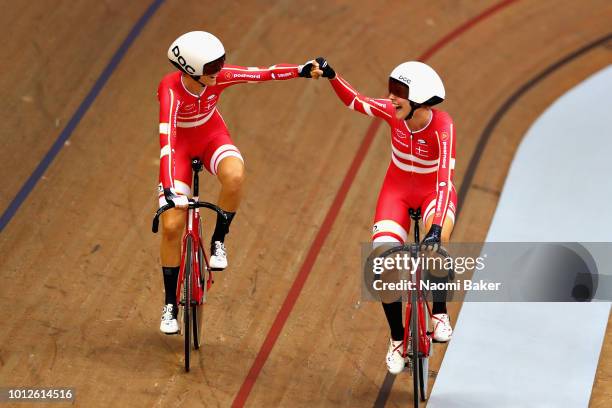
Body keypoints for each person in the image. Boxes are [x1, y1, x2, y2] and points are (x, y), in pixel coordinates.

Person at [157, 31, 318, 334]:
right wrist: (168, 189)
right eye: (211, 68)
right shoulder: (170, 89)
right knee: (170, 226)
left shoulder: (218, 77)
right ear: (191, 71)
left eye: (220, 63)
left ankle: (219, 240)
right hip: (179, 149)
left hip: (210, 136)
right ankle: (169, 304)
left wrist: (300, 70)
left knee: (235, 176)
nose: (219, 71)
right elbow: (167, 141)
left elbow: (262, 74)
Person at [313, 58, 456, 374]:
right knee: (382, 260)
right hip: (397, 191)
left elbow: (445, 178)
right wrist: (333, 76)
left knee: (440, 240)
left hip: (435, 190)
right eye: (391, 89)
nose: (391, 97)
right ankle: (396, 339)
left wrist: (434, 228)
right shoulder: (392, 113)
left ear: (419, 99)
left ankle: (440, 312)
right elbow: (355, 100)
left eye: (398, 91)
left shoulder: (443, 126)